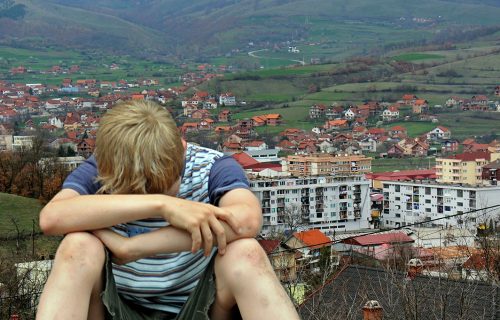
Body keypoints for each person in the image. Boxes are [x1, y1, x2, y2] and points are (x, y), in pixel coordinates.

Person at [36, 100, 300, 320]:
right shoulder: (108, 165)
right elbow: (51, 218)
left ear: (180, 155)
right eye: (133, 193)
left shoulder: (212, 167)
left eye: (161, 188)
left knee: (247, 252)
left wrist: (135, 247)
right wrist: (164, 205)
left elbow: (247, 221)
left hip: (199, 306)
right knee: (77, 246)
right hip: (115, 307)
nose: (146, 198)